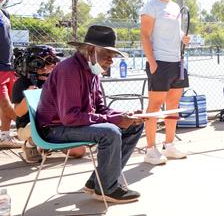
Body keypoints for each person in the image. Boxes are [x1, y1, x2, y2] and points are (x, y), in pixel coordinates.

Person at [37, 25, 144, 203]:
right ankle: (107, 188)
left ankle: (98, 183)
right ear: (92, 50)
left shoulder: (93, 70)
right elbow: (70, 117)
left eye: (113, 56)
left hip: (70, 124)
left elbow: (101, 108)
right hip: (54, 129)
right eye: (107, 55)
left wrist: (126, 115)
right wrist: (115, 120)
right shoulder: (69, 70)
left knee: (134, 126)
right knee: (110, 132)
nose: (111, 61)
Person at [140, 0, 190, 165]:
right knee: (154, 107)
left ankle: (169, 145)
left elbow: (175, 32)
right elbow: (144, 36)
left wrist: (183, 37)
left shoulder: (175, 7)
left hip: (177, 61)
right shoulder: (150, 7)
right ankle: (150, 150)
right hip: (159, 63)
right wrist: (152, 62)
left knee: (173, 104)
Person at [11, 45, 85, 163]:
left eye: (50, 62)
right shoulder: (22, 83)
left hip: (54, 124)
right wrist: (28, 97)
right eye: (39, 63)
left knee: (79, 151)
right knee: (36, 126)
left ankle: (48, 144)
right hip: (29, 125)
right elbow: (18, 112)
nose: (46, 67)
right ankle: (30, 143)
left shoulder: (57, 80)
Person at [0, 0, 19, 148]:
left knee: (9, 105)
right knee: (5, 105)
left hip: (9, 66)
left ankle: (5, 136)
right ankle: (32, 130)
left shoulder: (5, 13)